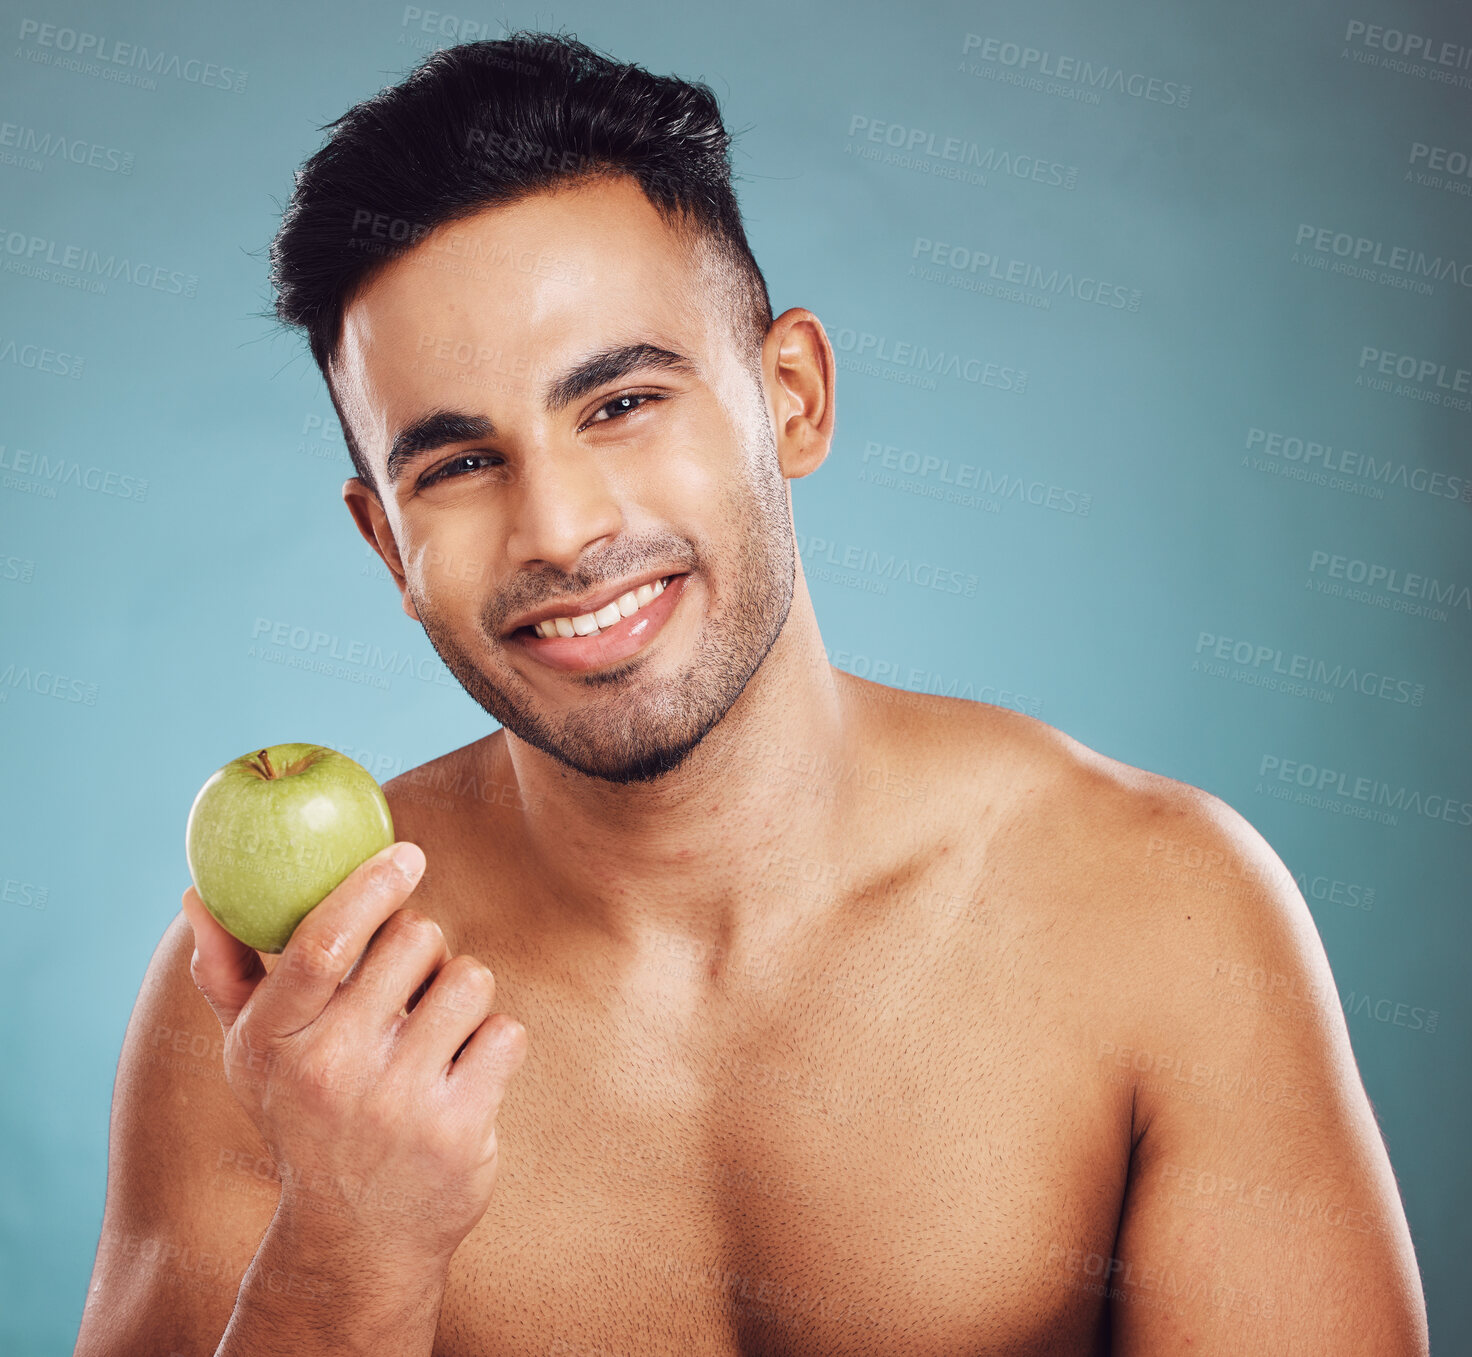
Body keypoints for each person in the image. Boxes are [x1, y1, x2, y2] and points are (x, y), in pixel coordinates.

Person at [74, 30, 1429, 1357]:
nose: (556, 526)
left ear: (792, 397)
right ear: (387, 544)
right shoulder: (287, 1013)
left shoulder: (1164, 913)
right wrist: (344, 1250)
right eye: (457, 465)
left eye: (619, 405)